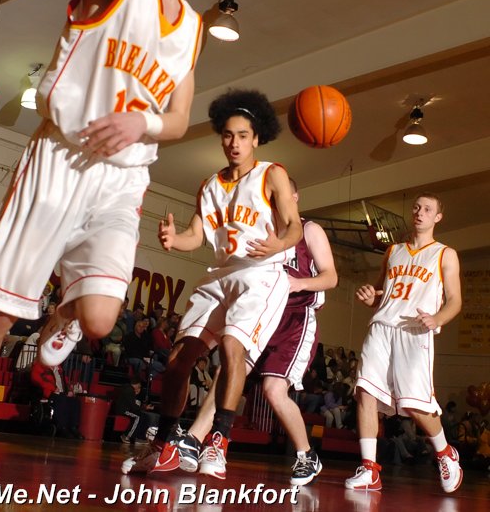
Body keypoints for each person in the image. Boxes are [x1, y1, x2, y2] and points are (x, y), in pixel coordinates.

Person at [0, 0, 234, 489]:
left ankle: (61, 314)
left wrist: (141, 124)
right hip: (61, 159)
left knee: (100, 318)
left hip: (122, 178)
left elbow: (178, 118)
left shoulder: (190, 29)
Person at [122, 88, 302, 479]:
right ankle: (164, 443)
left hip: (261, 272)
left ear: (256, 139)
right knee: (178, 360)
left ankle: (218, 441)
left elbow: (294, 226)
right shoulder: (209, 185)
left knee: (233, 345)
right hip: (220, 273)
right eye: (228, 135)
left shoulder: (272, 174)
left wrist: (279, 243)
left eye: (242, 136)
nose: (234, 143)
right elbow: (196, 235)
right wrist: (174, 240)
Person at [174, 181, 338, 485]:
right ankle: (194, 439)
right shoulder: (260, 227)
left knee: (274, 390)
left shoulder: (309, 229)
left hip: (294, 317)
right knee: (228, 369)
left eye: (281, 194)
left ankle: (307, 455)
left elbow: (331, 277)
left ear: (294, 196)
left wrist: (299, 284)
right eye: (270, 195)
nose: (275, 199)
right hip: (261, 308)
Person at [345, 193, 463, 494]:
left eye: (427, 209)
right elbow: (380, 294)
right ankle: (369, 469)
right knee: (365, 392)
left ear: (437, 217)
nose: (420, 212)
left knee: (413, 404)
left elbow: (455, 300)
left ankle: (445, 452)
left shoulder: (444, 254)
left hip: (415, 329)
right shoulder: (393, 251)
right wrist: (371, 298)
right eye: (417, 207)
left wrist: (438, 318)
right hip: (382, 326)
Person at [114, 377, 159, 444]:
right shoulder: (129, 390)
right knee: (138, 417)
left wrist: (144, 408)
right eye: (139, 386)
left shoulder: (129, 390)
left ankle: (140, 438)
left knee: (144, 416)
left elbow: (133, 406)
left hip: (128, 409)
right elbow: (133, 406)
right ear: (137, 384)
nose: (139, 388)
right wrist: (144, 408)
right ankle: (126, 436)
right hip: (123, 410)